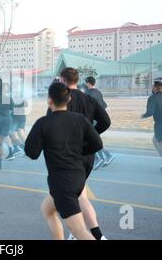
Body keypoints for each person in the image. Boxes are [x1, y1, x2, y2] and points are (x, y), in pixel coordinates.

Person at [26, 82, 103, 240]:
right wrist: (79, 151)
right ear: (68, 100)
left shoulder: (43, 123)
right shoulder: (80, 120)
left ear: (49, 101)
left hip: (62, 183)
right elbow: (97, 144)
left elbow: (32, 153)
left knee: (79, 231)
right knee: (47, 210)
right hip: (78, 178)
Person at [48, 68, 111, 240]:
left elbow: (51, 128)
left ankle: (97, 236)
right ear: (78, 80)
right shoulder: (88, 99)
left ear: (62, 80)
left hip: (68, 156)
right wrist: (91, 135)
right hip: (87, 154)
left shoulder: (60, 100)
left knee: (79, 196)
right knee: (79, 194)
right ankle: (77, 232)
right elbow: (106, 121)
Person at [85, 76, 115, 169]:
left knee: (89, 139)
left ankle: (100, 158)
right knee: (95, 139)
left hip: (91, 119)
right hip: (98, 119)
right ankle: (106, 156)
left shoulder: (88, 93)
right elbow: (103, 106)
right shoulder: (98, 92)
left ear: (88, 83)